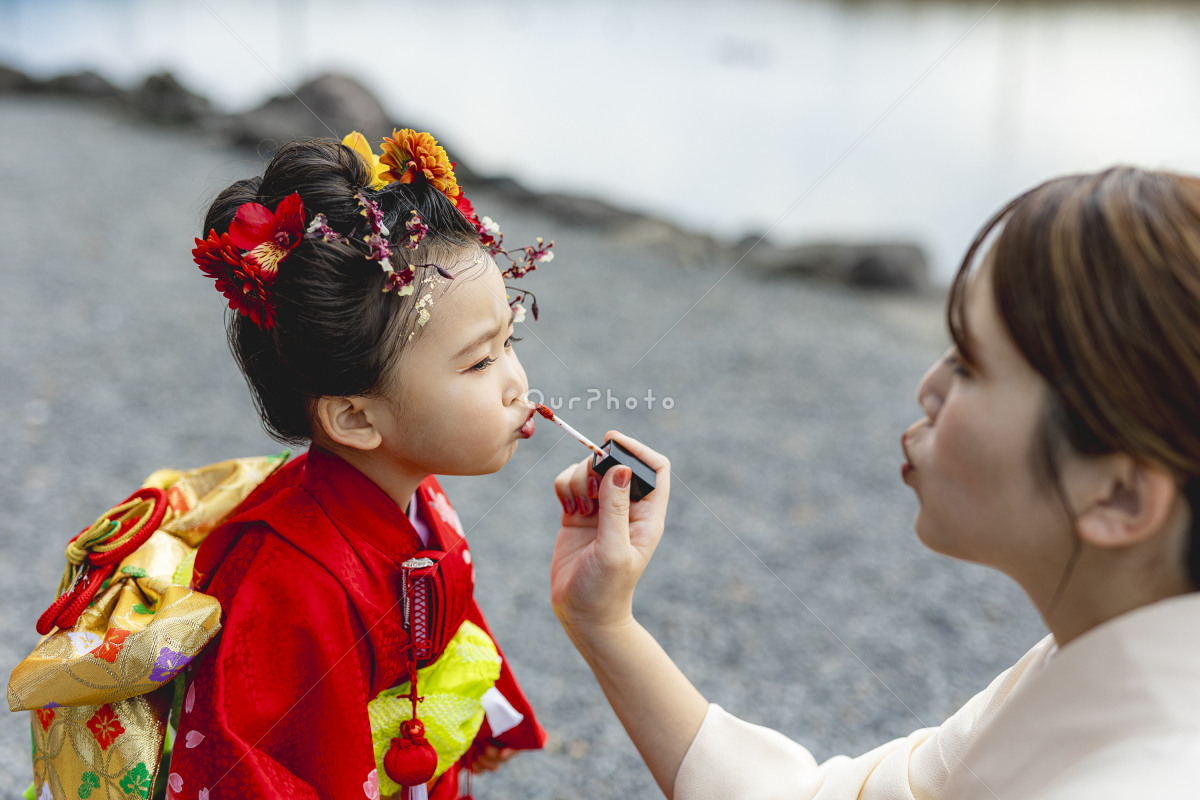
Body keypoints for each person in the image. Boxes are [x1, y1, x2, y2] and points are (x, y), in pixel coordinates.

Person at [550, 167, 1200, 799]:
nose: (928, 388)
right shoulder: (1095, 665)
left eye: (970, 365)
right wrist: (602, 620)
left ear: (1119, 495)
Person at [169, 132, 552, 799]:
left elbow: (450, 624)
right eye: (480, 361)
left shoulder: (417, 496)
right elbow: (268, 761)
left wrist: (483, 722)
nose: (517, 383)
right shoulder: (287, 579)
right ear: (354, 418)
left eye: (508, 340)